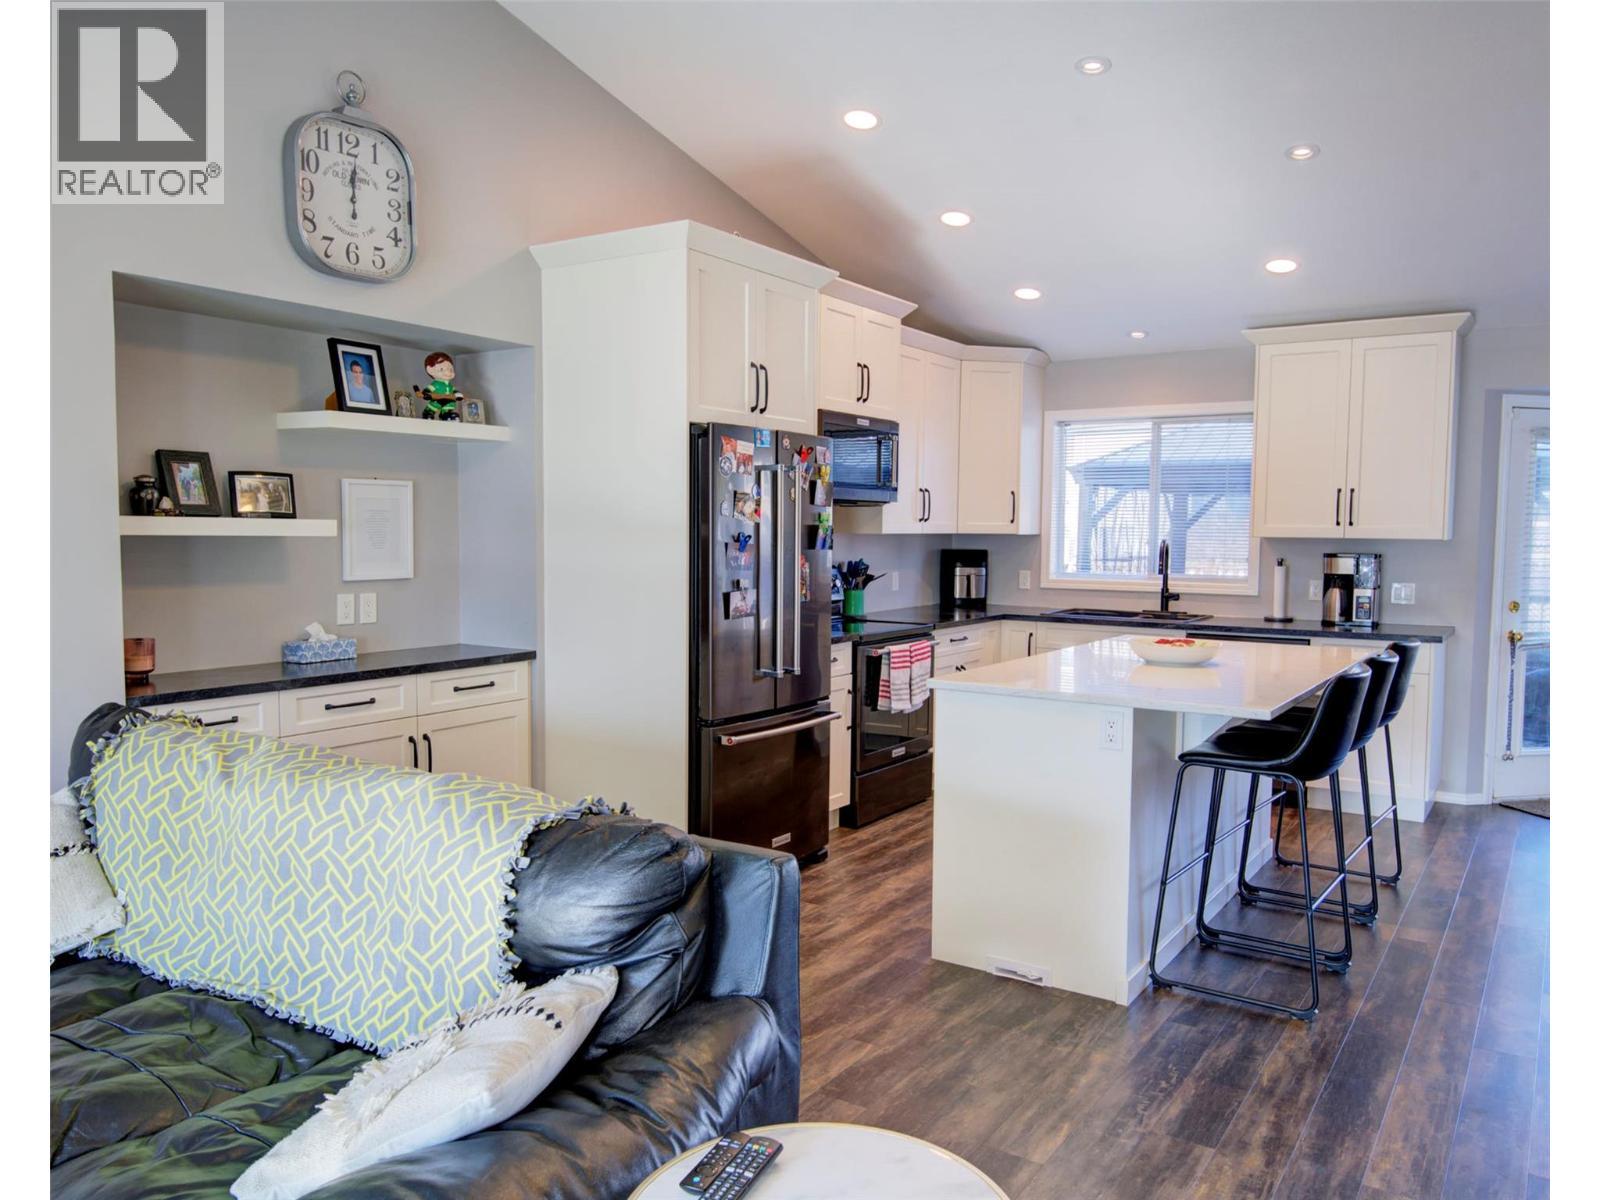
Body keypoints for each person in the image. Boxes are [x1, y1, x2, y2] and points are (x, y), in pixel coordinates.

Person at [414, 351, 463, 420]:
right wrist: (426, 393)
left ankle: (445, 414)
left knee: (450, 405)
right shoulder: (435, 384)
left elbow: (454, 391)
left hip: (448, 401)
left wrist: (458, 394)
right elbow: (428, 390)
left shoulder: (450, 385)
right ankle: (428, 413)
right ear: (430, 370)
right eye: (442, 369)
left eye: (451, 369)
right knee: (433, 406)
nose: (448, 372)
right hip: (437, 400)